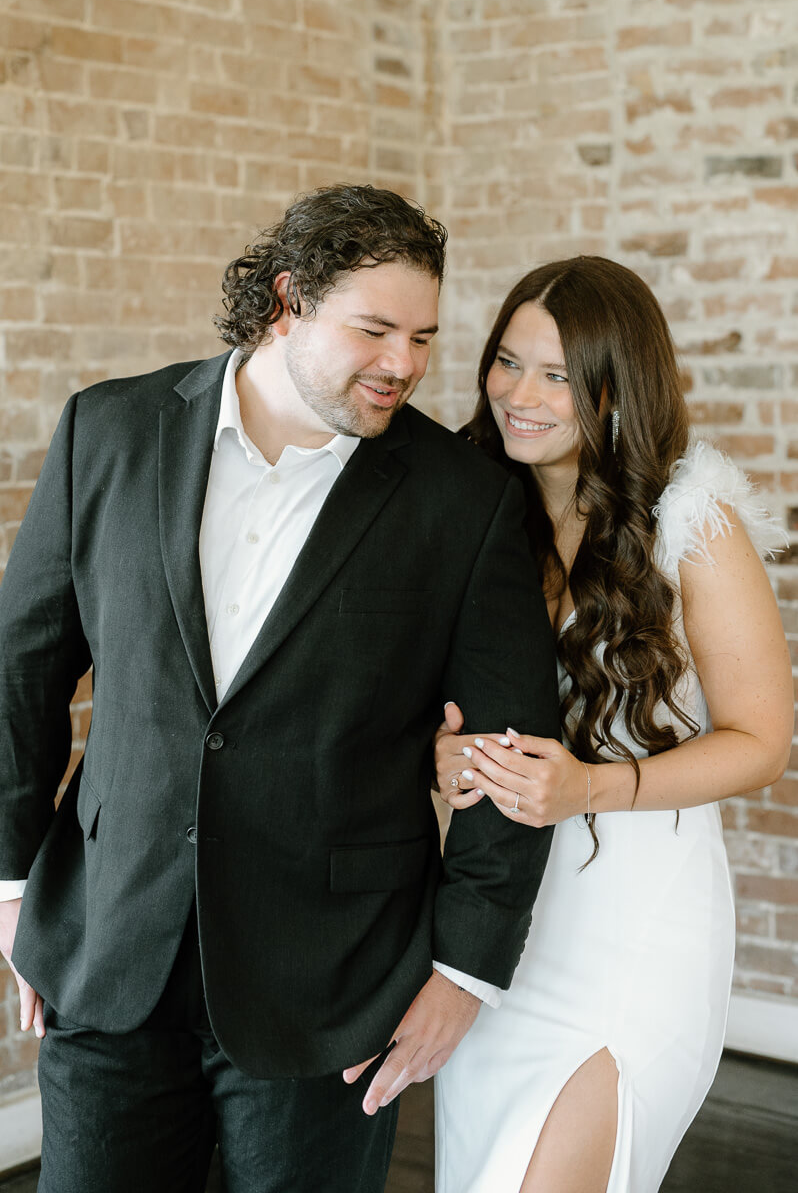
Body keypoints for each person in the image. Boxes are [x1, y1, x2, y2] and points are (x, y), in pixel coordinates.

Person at [0, 185, 561, 1193]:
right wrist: (7, 886)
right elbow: (21, 672)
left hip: (336, 992)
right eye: (376, 329)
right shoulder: (107, 431)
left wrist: (464, 972)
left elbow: (513, 750)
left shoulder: (462, 501)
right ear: (287, 300)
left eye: (425, 336)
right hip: (108, 960)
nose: (406, 363)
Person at [434, 255, 793, 1193]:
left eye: (558, 375)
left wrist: (593, 785)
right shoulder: (472, 503)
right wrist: (440, 756)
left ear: (616, 385)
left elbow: (762, 741)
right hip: (498, 919)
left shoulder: (691, 519)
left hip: (637, 928)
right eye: (507, 362)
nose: (519, 394)